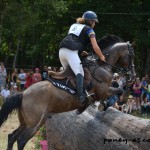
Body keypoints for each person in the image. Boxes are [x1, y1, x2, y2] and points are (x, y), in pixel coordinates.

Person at [59, 11, 105, 104]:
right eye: (94, 22)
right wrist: (101, 56)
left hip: (61, 51)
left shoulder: (73, 26)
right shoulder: (89, 30)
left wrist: (80, 52)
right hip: (71, 52)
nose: (95, 24)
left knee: (69, 74)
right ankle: (80, 98)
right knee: (80, 73)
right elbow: (95, 47)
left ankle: (64, 95)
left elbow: (73, 39)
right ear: (90, 21)